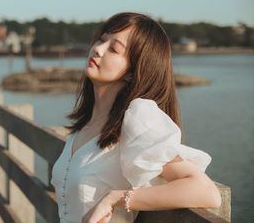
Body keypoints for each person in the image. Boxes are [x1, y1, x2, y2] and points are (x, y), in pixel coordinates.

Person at [50, 12, 221, 223]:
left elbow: (205, 191)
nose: (98, 49)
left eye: (113, 49)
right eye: (102, 40)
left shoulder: (138, 117)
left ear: (133, 71)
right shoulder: (84, 125)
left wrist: (115, 199)